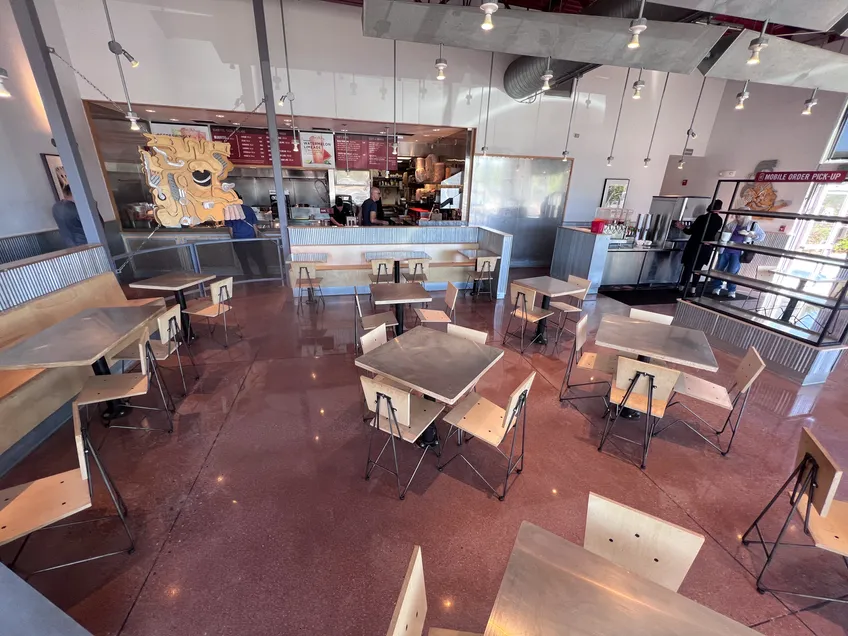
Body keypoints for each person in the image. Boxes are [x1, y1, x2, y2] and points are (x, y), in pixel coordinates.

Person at [708, 214, 764, 299]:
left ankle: (731, 290)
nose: (737, 217)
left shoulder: (752, 225)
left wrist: (750, 235)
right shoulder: (732, 223)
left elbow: (761, 237)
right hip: (725, 249)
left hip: (738, 252)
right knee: (719, 269)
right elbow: (724, 233)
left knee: (733, 272)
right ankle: (717, 288)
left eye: (739, 215)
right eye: (736, 215)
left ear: (745, 216)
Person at [676, 199, 724, 294]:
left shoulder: (701, 218)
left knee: (688, 266)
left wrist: (681, 227)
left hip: (695, 244)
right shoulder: (719, 220)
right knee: (698, 268)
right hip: (706, 246)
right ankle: (693, 288)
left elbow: (690, 231)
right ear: (720, 209)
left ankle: (681, 286)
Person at [226, 192, 267, 278]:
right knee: (259, 259)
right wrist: (256, 237)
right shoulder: (248, 209)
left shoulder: (229, 211)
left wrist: (233, 240)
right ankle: (265, 275)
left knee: (243, 261)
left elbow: (230, 229)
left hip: (238, 240)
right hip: (251, 239)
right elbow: (254, 225)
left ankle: (249, 277)